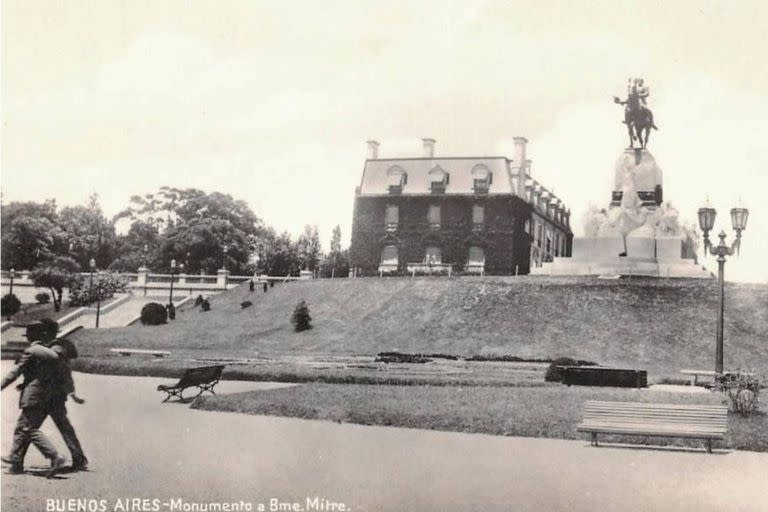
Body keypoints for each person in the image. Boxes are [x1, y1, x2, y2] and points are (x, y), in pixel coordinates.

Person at [1, 324, 67, 477]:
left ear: (30, 336)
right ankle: (15, 462)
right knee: (23, 428)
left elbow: (15, 372)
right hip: (48, 396)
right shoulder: (51, 353)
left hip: (34, 396)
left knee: (27, 429)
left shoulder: (31, 351)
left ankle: (54, 456)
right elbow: (48, 375)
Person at [48, 339, 88, 471]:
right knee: (66, 428)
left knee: (28, 427)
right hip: (57, 397)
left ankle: (16, 457)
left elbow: (64, 375)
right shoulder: (58, 351)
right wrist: (72, 394)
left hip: (47, 397)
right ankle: (78, 457)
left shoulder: (54, 351)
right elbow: (67, 377)